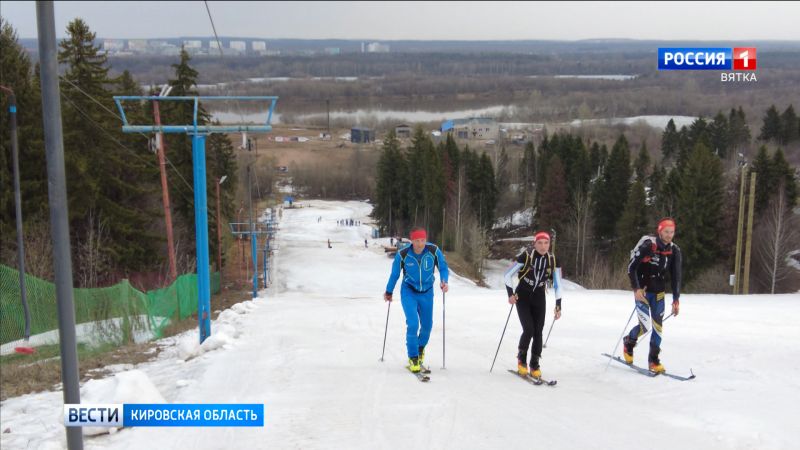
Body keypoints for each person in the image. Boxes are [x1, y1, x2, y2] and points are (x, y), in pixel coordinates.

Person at [384, 228, 449, 373]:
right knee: (413, 324)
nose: (420, 244)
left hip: (427, 292)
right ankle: (413, 357)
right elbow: (394, 274)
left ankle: (420, 349)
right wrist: (389, 291)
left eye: (423, 240)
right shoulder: (403, 254)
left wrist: (444, 281)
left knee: (427, 326)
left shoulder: (433, 251)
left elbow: (443, 268)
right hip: (409, 292)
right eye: (417, 241)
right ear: (412, 241)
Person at [622, 217, 682, 373]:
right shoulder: (649, 245)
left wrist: (676, 300)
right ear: (660, 231)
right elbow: (631, 268)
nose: (669, 235)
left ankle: (653, 361)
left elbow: (676, 277)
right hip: (643, 291)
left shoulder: (674, 251)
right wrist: (636, 289)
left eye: (672, 232)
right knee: (644, 326)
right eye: (666, 232)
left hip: (659, 293)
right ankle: (629, 343)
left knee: (658, 327)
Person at [503, 231, 562, 378]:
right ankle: (521, 360)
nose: (543, 246)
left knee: (538, 331)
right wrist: (510, 294)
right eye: (540, 243)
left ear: (550, 244)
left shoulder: (553, 260)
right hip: (522, 296)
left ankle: (534, 364)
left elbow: (558, 285)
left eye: (546, 243)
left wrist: (558, 305)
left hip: (539, 297)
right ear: (535, 244)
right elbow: (507, 274)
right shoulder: (527, 256)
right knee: (528, 329)